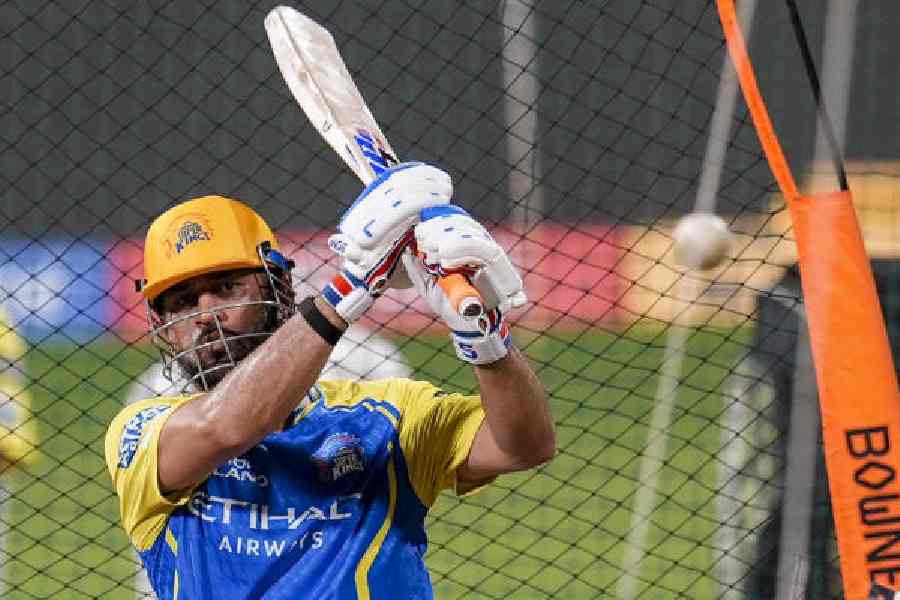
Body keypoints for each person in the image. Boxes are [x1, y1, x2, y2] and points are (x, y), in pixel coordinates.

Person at [104, 163, 555, 599]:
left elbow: (523, 446)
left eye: (226, 289)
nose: (207, 317)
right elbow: (226, 427)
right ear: (161, 323)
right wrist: (352, 286)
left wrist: (487, 338)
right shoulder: (142, 432)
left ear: (278, 290)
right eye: (183, 302)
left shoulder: (385, 416)